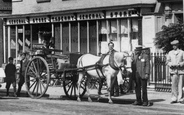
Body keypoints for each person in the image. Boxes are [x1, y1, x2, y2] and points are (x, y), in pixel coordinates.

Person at [166, 40, 184, 104]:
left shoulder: (182, 52)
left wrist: (180, 64)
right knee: (174, 85)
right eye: (173, 45)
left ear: (177, 45)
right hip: (173, 71)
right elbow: (167, 61)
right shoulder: (170, 53)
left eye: (175, 45)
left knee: (180, 85)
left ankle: (180, 98)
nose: (174, 46)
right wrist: (171, 64)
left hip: (180, 71)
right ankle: (174, 98)